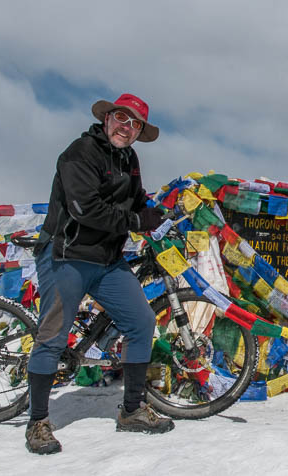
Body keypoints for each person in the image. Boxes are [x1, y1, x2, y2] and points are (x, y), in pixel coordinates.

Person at [25, 94, 173, 455]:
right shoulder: (79, 153)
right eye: (121, 118)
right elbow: (84, 209)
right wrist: (137, 221)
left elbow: (135, 200)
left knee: (140, 323)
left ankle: (133, 410)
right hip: (67, 256)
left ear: (139, 132)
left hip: (107, 260)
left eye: (135, 124)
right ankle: (38, 422)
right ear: (107, 118)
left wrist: (156, 213)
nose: (127, 127)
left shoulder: (129, 159)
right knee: (52, 337)